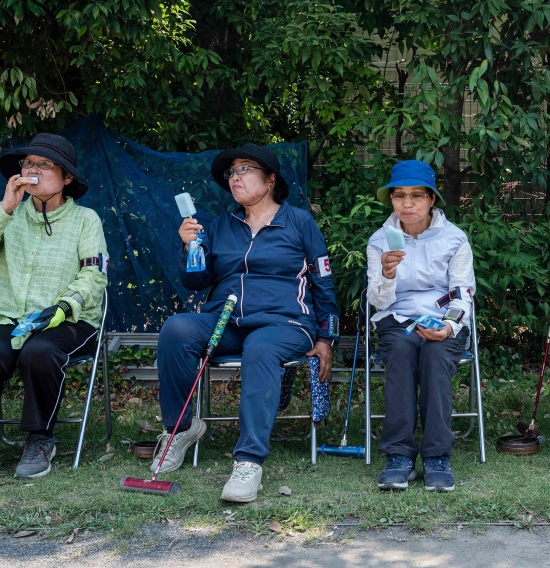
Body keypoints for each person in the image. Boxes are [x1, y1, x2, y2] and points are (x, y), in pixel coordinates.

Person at [154, 144, 340, 503]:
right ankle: (181, 428)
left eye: (245, 170)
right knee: (176, 329)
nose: (234, 177)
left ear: (270, 180)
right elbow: (196, 281)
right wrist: (188, 247)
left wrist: (326, 336)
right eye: (231, 172)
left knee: (260, 349)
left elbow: (323, 281)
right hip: (225, 320)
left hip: (284, 323)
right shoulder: (222, 225)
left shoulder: (299, 221)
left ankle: (249, 461)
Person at [0, 133, 109, 479]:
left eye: (43, 164)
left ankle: (40, 438)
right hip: (6, 315)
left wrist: (63, 307)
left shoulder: (86, 219)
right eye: (28, 163)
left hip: (67, 317)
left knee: (40, 351)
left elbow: (95, 276)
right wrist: (6, 206)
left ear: (66, 177)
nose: (32, 169)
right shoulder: (10, 215)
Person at [366, 160, 476, 492]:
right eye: (399, 196)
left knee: (435, 353)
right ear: (392, 200)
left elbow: (462, 293)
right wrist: (386, 275)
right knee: (400, 352)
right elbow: (379, 302)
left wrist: (449, 326)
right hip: (396, 318)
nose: (407, 204)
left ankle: (436, 456)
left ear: (431, 200)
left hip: (443, 320)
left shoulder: (453, 238)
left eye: (416, 196)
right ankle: (399, 455)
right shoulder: (380, 240)